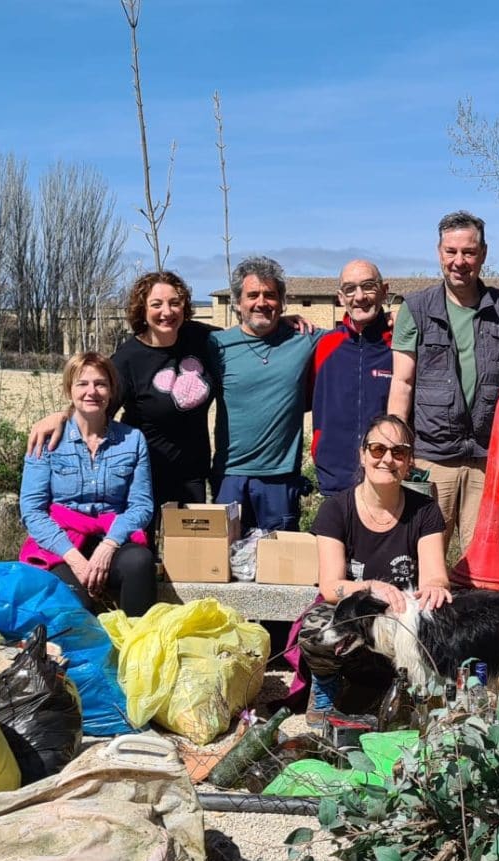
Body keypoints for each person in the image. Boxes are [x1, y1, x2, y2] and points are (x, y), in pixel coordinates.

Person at [388, 212, 499, 557]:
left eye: (468, 252)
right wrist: (398, 447)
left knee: (483, 559)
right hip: (431, 458)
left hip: (488, 459)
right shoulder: (416, 309)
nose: (459, 261)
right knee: (422, 557)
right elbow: (402, 383)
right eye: (451, 251)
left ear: (483, 254)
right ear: (439, 252)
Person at [304, 414, 452, 726]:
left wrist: (437, 586)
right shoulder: (336, 509)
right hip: (357, 623)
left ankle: (419, 691)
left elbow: (435, 577)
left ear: (409, 462)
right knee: (315, 625)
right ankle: (326, 688)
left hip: (402, 628)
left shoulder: (425, 511)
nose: (387, 459)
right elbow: (330, 586)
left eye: (399, 452)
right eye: (377, 449)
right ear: (363, 455)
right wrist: (371, 587)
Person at [28, 271, 214, 511]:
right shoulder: (127, 360)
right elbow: (97, 407)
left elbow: (244, 336)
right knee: (142, 536)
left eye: (175, 303)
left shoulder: (201, 338)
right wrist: (63, 417)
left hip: (193, 475)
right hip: (142, 475)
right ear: (142, 310)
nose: (167, 312)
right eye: (156, 304)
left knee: (189, 536)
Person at [18, 351, 156, 616]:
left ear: (111, 391)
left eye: (100, 384)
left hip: (111, 537)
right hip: (61, 543)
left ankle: (137, 637)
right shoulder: (46, 440)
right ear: (69, 390)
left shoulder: (132, 440)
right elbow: (32, 511)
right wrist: (74, 559)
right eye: (82, 383)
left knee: (140, 562)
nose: (92, 391)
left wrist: (110, 544)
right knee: (79, 606)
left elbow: (141, 506)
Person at [211, 256, 318, 531]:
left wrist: (390, 320)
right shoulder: (216, 346)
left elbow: (351, 336)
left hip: (280, 479)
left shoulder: (304, 339)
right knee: (225, 555)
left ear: (282, 302)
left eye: (270, 295)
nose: (262, 302)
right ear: (237, 302)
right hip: (229, 476)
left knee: (279, 558)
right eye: (253, 295)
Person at [311, 260, 395, 497]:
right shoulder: (324, 346)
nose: (359, 297)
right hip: (334, 478)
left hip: (388, 475)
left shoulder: (401, 344)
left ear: (384, 291)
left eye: (368, 286)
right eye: (350, 289)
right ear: (340, 297)